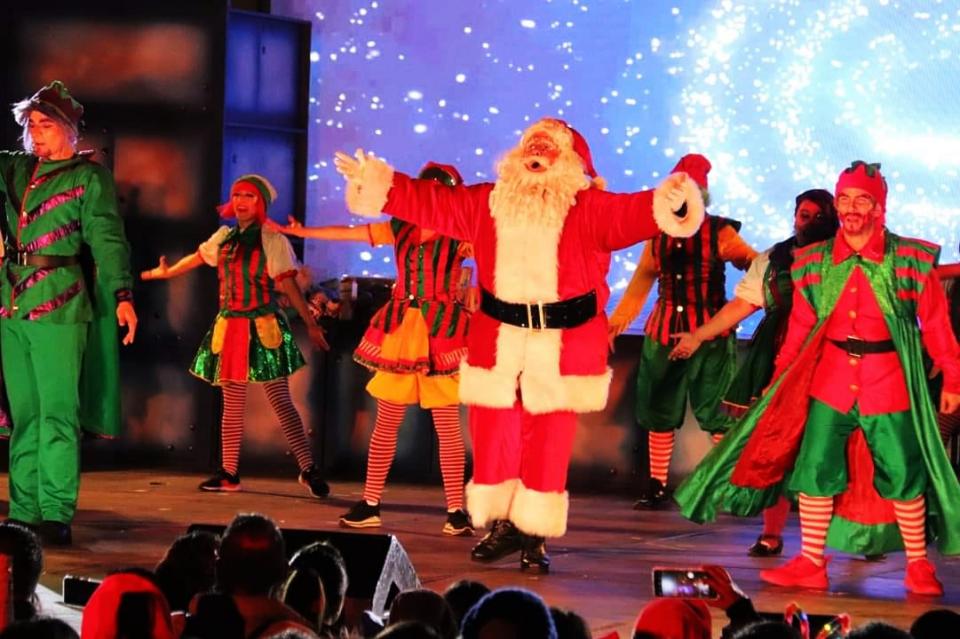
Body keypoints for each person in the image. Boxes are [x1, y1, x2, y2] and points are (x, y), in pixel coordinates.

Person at [335, 117, 704, 572]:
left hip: (560, 342)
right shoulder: (487, 202)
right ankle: (505, 524)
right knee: (494, 436)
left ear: (569, 164)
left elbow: (645, 211)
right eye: (530, 146)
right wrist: (380, 185)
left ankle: (535, 535)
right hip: (499, 340)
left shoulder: (590, 207)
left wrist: (682, 186)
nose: (536, 155)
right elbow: (429, 201)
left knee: (548, 438)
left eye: (547, 150)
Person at [675, 161, 960, 596]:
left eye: (861, 199)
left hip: (888, 382)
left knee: (902, 472)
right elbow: (800, 330)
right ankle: (810, 561)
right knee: (814, 470)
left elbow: (937, 325)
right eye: (844, 198)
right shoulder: (813, 262)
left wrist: (954, 379)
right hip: (828, 382)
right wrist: (778, 382)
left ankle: (918, 565)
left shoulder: (909, 259)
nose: (851, 208)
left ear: (879, 207)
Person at [270, 163, 473, 535]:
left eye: (436, 192)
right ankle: (370, 502)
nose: (427, 199)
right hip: (399, 331)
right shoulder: (401, 227)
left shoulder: (462, 231)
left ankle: (456, 510)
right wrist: (298, 231)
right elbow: (349, 233)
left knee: (446, 426)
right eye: (423, 192)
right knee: (387, 421)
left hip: (441, 332)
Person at [0, 81, 137, 546]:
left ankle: (55, 512)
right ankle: (22, 511)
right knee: (25, 416)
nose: (37, 134)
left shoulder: (87, 177)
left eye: (47, 126)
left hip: (60, 303)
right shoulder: (14, 170)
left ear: (70, 130)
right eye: (32, 125)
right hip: (12, 305)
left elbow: (107, 237)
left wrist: (122, 295)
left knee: (57, 414)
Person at [141, 175, 330, 496]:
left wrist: (311, 323)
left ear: (261, 203)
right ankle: (229, 473)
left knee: (281, 401)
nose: (241, 200)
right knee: (232, 402)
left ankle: (308, 468)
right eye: (237, 194)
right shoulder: (224, 237)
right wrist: (168, 272)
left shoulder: (273, 240)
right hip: (231, 326)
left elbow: (287, 284)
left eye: (249, 196)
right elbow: (199, 257)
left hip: (263, 325)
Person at [608, 153, 757, 508]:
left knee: (718, 414)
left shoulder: (719, 231)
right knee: (658, 410)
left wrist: (761, 281)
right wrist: (615, 325)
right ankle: (657, 485)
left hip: (710, 337)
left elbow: (752, 263)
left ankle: (726, 485)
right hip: (662, 334)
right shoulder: (657, 233)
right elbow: (641, 282)